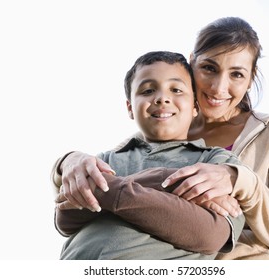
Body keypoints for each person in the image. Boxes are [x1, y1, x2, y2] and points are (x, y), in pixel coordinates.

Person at [52, 17, 269, 260]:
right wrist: (67, 162)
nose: (219, 87)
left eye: (237, 74)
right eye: (209, 68)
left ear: (250, 79)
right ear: (192, 63)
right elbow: (75, 200)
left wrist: (239, 180)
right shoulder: (157, 131)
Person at [54, 51, 245, 260]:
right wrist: (162, 181)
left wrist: (107, 189)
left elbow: (212, 235)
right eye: (148, 90)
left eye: (176, 89)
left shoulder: (216, 163)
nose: (162, 98)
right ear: (130, 108)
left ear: (195, 107)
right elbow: (64, 217)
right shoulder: (105, 160)